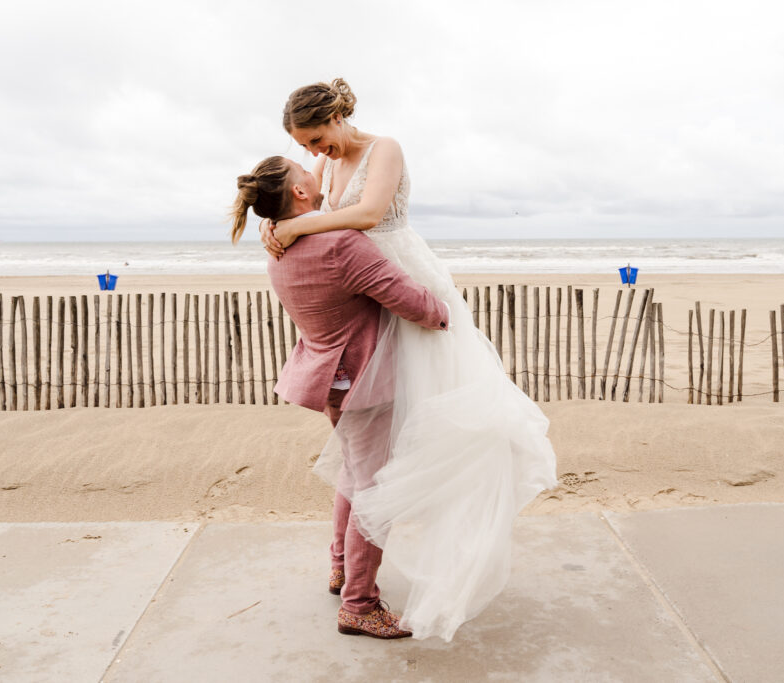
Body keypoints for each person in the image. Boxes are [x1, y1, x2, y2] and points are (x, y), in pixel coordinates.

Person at [259, 78, 557, 642]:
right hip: (366, 288)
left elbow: (369, 214)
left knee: (389, 438)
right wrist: (280, 222)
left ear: (339, 118)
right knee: (366, 454)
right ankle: (350, 576)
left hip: (398, 274)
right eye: (305, 146)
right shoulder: (323, 169)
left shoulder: (384, 148)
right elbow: (321, 209)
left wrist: (292, 224)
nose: (313, 154)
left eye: (317, 139)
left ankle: (352, 566)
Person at [232, 156, 452, 639]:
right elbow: (408, 299)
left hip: (328, 380)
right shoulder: (340, 245)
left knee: (354, 475)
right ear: (301, 195)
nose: (316, 171)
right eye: (303, 171)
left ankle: (340, 567)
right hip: (367, 383)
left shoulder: (279, 247)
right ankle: (359, 604)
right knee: (374, 489)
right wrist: (445, 314)